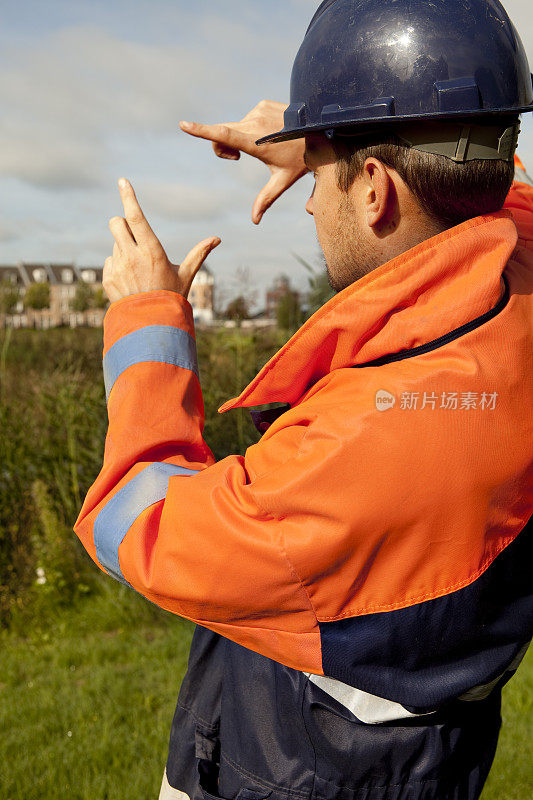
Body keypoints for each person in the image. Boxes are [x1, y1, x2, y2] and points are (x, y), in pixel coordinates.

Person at [74, 1, 533, 798]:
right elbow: (496, 183)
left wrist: (144, 320)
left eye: (321, 178)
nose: (311, 202)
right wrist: (321, 131)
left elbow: (133, 524)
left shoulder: (354, 450)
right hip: (432, 755)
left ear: (375, 192)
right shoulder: (517, 291)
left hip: (301, 766)